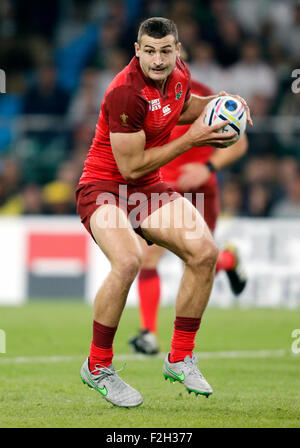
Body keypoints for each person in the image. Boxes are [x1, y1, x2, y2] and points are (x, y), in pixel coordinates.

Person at [76, 17, 252, 408]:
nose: (158, 60)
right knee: (128, 260)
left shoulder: (179, 75)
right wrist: (193, 140)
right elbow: (131, 168)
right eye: (150, 51)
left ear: (176, 50)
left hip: (147, 187)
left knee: (204, 252)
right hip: (105, 187)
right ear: (137, 51)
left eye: (166, 51)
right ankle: (98, 365)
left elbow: (184, 107)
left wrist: (224, 105)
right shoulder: (124, 93)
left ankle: (180, 357)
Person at [129, 78, 248, 355]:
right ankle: (149, 334)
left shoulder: (203, 97)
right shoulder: (143, 99)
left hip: (200, 191)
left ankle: (228, 260)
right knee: (148, 257)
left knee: (197, 263)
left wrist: (207, 167)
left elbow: (239, 145)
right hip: (161, 189)